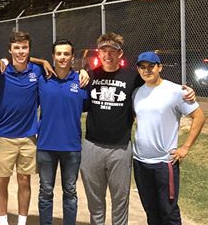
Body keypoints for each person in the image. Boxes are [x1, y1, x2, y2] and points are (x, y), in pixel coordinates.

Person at [80, 32, 196, 225]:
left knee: (120, 201)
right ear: (98, 53)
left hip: (121, 147)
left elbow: (156, 82)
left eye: (112, 51)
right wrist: (82, 71)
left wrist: (185, 90)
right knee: (95, 202)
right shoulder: (90, 76)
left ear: (120, 54)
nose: (107, 55)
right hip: (92, 145)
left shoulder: (133, 77)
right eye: (103, 51)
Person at [132, 52, 205, 225]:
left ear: (160, 67)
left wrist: (185, 147)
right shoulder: (136, 93)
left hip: (164, 163)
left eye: (151, 66)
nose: (147, 70)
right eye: (142, 67)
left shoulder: (175, 91)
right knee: (151, 210)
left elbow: (199, 117)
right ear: (138, 69)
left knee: (168, 212)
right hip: (140, 161)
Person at [0, 31, 49, 225]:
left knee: (25, 180)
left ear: (29, 49)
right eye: (16, 47)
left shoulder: (37, 71)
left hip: (28, 137)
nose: (20, 51)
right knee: (2, 180)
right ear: (10, 49)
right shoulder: (1, 70)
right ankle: (3, 221)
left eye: (24, 47)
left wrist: (42, 62)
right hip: (3, 136)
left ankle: (22, 221)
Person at [37, 39, 89, 225]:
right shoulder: (43, 78)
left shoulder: (81, 81)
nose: (62, 57)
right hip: (46, 145)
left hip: (72, 146)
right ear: (52, 56)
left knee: (70, 191)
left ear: (72, 57)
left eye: (66, 54)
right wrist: (41, 62)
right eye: (58, 54)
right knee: (45, 192)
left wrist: (85, 71)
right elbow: (20, 60)